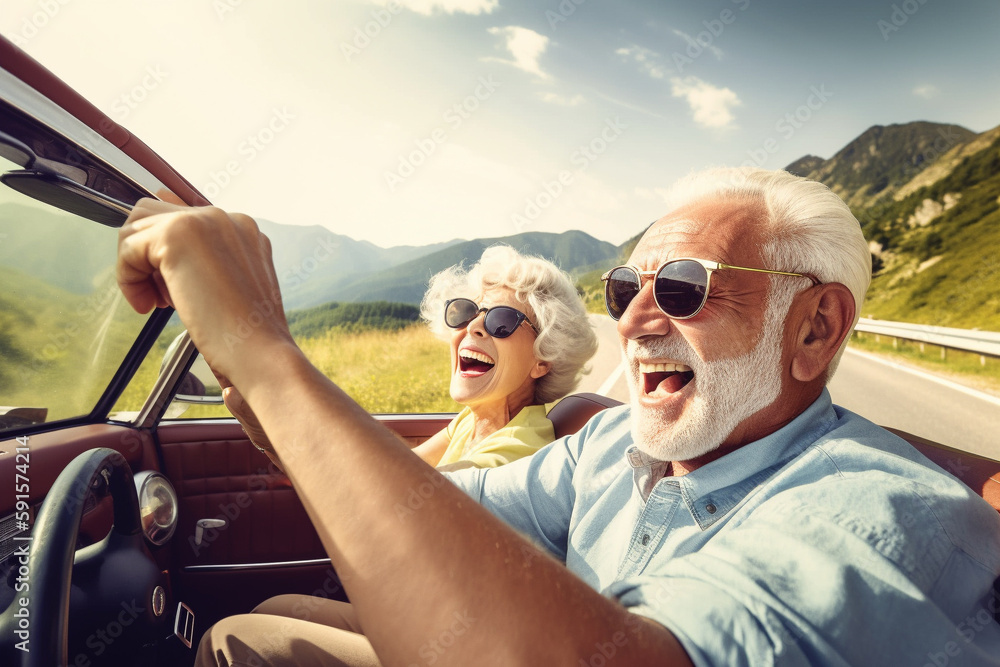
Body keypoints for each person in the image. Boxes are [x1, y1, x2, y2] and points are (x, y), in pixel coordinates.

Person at [117, 167, 1000, 666]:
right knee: (263, 623)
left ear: (815, 328)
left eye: (684, 288)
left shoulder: (877, 510)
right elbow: (430, 514)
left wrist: (270, 359)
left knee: (254, 647)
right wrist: (260, 381)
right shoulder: (612, 443)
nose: (637, 318)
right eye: (627, 286)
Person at [233, 244, 598, 472]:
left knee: (268, 603)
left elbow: (395, 494)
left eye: (502, 320)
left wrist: (279, 418)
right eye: (467, 312)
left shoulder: (519, 448)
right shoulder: (474, 422)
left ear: (543, 357)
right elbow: (402, 466)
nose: (475, 327)